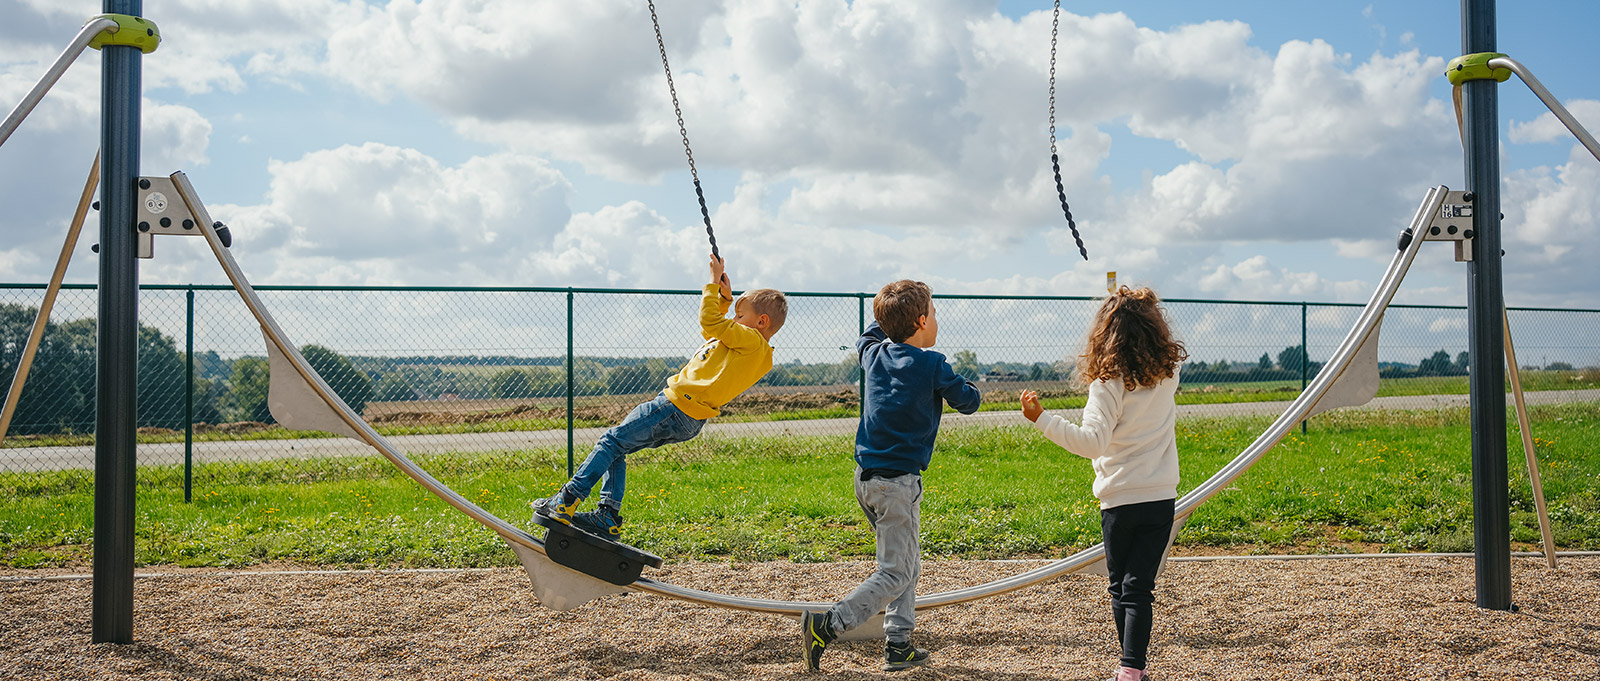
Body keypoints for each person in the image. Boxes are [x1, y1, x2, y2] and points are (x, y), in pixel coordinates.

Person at [532, 254, 787, 538]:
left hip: (673, 406)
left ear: (761, 321)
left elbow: (710, 321)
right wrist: (725, 301)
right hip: (689, 420)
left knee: (610, 441)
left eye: (740, 316)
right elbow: (712, 330)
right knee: (616, 448)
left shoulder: (750, 340)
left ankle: (566, 500)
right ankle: (607, 516)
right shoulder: (754, 351)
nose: (734, 320)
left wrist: (713, 282)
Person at [801, 279, 981, 673]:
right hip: (897, 485)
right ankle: (828, 624)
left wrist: (888, 313)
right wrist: (970, 388)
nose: (937, 320)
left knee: (906, 562)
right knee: (896, 570)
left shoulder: (873, 354)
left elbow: (868, 334)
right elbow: (968, 402)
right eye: (933, 313)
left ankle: (898, 643)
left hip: (866, 480)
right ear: (921, 321)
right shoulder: (933, 365)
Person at [1019, 285, 1187, 681]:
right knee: (1139, 587)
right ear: (1155, 330)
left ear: (1105, 336)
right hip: (1161, 497)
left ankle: (1129, 669)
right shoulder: (1168, 375)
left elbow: (1091, 442)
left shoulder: (1108, 384)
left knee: (1120, 587)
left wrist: (1042, 419)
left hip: (1120, 499)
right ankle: (1133, 668)